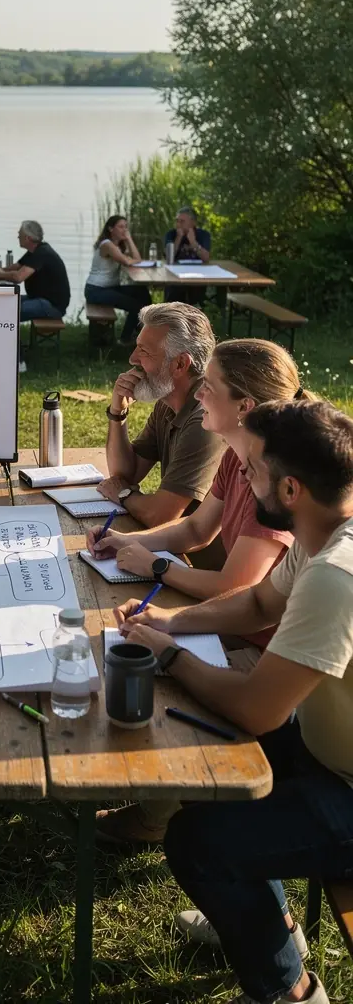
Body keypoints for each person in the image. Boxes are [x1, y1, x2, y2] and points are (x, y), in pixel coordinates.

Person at [113, 400, 353, 1004]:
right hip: (329, 753)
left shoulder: (335, 573)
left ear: (291, 488)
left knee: (199, 843)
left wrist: (169, 656)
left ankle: (290, 992)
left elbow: (256, 709)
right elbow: (254, 606)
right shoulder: (324, 529)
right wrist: (172, 620)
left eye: (253, 471)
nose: (243, 477)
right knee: (204, 755)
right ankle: (276, 930)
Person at [89, 338, 306, 846]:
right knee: (135, 648)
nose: (198, 393)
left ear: (246, 408)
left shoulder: (272, 476)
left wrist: (158, 569)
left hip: (261, 653)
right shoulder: (239, 455)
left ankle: (154, 813)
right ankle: (149, 792)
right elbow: (195, 531)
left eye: (210, 386)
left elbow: (240, 588)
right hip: (237, 625)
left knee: (148, 670)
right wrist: (130, 540)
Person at [97, 302, 223, 527]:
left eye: (144, 351)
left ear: (180, 364)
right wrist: (118, 413)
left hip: (198, 559)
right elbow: (126, 474)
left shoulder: (204, 420)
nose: (133, 359)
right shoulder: (168, 403)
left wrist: (125, 495)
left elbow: (161, 515)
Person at [83, 215, 151, 343]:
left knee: (142, 292)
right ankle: (125, 339)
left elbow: (137, 259)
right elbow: (127, 261)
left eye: (126, 227)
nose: (124, 230)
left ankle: (139, 330)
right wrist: (130, 260)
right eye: (120, 227)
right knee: (136, 306)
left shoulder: (118, 246)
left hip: (110, 288)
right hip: (96, 290)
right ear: (110, 228)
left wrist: (129, 239)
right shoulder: (107, 245)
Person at [0, 221, 71, 320]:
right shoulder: (34, 251)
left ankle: (3, 334)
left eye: (20, 235)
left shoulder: (42, 253)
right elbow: (17, 266)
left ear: (27, 238)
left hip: (52, 306)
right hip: (37, 298)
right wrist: (0, 269)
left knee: (8, 309)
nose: (18, 237)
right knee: (3, 303)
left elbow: (18, 277)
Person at [164, 205, 213, 305]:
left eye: (182, 221)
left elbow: (206, 258)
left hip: (197, 278)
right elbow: (168, 258)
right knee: (173, 296)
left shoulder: (203, 235)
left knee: (196, 298)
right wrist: (178, 238)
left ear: (193, 222)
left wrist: (193, 242)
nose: (178, 224)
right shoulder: (171, 234)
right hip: (175, 278)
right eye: (177, 221)